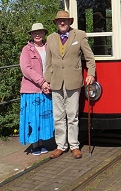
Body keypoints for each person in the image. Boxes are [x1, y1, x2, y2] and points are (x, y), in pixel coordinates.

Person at [45, 10, 96, 159]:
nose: (62, 23)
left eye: (65, 21)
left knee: (72, 115)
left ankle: (74, 145)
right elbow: (48, 63)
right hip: (56, 82)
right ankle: (61, 146)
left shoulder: (79, 35)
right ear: (56, 23)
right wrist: (46, 81)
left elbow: (90, 57)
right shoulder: (51, 38)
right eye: (60, 21)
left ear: (69, 22)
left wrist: (91, 73)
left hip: (73, 81)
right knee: (58, 116)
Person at [19, 23, 53, 155]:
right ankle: (35, 144)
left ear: (44, 33)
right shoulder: (26, 50)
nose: (37, 34)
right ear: (31, 35)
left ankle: (42, 143)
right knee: (33, 118)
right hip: (32, 90)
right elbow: (26, 69)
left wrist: (49, 83)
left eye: (40, 32)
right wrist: (42, 82)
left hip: (47, 88)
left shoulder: (48, 47)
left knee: (44, 117)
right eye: (35, 33)